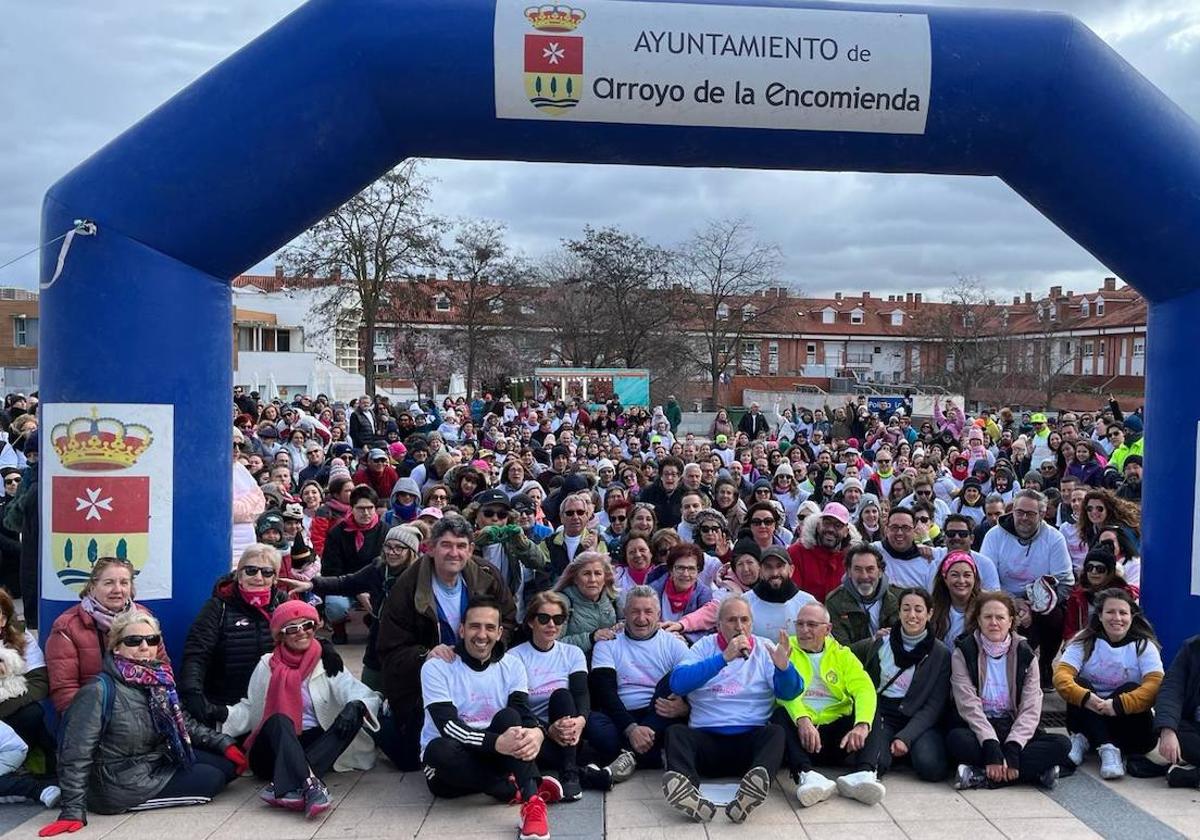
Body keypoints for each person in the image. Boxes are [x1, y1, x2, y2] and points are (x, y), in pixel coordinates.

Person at [46, 613, 244, 835]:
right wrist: (72, 810)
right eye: (133, 641)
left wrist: (224, 744)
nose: (144, 646)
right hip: (117, 782)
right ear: (116, 647)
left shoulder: (158, 679)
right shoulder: (98, 691)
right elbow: (75, 752)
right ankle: (128, 802)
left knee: (226, 766)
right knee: (212, 780)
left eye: (151, 640)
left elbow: (183, 722)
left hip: (153, 761)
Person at [375, 515, 517, 770]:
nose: (454, 553)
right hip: (428, 680)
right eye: (446, 545)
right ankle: (379, 719)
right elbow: (389, 648)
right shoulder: (407, 586)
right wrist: (424, 654)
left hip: (476, 672)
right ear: (430, 548)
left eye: (461, 545)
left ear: (471, 549)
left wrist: (492, 645)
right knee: (411, 761)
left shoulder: (487, 576)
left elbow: (508, 618)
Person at [223, 601, 382, 817]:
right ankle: (311, 784)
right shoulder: (267, 664)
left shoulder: (328, 661)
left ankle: (286, 785)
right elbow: (250, 708)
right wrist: (218, 718)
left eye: (307, 625)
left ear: (315, 627)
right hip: (273, 748)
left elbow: (360, 692)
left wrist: (356, 706)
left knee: (354, 713)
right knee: (279, 718)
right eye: (292, 628)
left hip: (314, 743)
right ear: (281, 635)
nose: (301, 633)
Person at [419, 598, 560, 840]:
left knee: (510, 716)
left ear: (499, 632)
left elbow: (523, 713)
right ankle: (514, 785)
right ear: (461, 629)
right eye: (474, 626)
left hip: (493, 752)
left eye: (489, 627)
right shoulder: (437, 667)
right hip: (451, 766)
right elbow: (448, 726)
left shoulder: (512, 665)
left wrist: (537, 731)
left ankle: (532, 801)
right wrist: (496, 743)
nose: (482, 635)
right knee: (437, 750)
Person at [662, 597, 800, 824]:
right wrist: (724, 658)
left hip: (750, 741)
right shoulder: (703, 647)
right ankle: (688, 793)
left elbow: (790, 693)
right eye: (732, 620)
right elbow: (678, 683)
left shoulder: (766, 649)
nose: (739, 626)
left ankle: (751, 791)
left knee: (776, 732)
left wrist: (783, 668)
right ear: (718, 625)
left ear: (752, 624)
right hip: (707, 739)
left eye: (744, 620)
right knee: (676, 733)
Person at [947, 592, 1069, 790]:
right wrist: (990, 743)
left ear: (1010, 620)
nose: (994, 622)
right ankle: (1031, 772)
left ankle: (981, 775)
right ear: (978, 619)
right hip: (979, 727)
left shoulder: (1025, 654)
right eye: (987, 617)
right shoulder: (964, 651)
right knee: (956, 740)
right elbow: (967, 704)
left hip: (1011, 724)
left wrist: (1013, 746)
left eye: (1000, 617)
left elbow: (1031, 707)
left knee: (1062, 745)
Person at [282, 524, 422, 690]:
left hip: (406, 645)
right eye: (388, 546)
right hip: (378, 642)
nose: (392, 552)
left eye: (399, 548)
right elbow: (347, 582)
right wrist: (311, 585)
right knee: (369, 697)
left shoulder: (419, 576)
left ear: (411, 551)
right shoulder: (378, 569)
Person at [771, 602, 883, 807]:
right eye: (800, 624)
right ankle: (807, 776)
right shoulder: (786, 649)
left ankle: (864, 774)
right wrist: (802, 719)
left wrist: (861, 725)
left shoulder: (842, 654)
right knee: (779, 715)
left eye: (812, 625)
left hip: (838, 735)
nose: (804, 630)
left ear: (828, 629)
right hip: (804, 735)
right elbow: (782, 694)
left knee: (870, 712)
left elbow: (864, 688)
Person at [1053, 588, 1162, 779]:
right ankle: (1107, 748)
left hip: (1130, 728)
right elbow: (1061, 677)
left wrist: (1118, 705)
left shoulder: (1143, 645)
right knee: (1080, 683)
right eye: (1110, 612)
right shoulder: (1084, 640)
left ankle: (1089, 741)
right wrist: (1087, 698)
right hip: (1089, 712)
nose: (1117, 618)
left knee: (1130, 688)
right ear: (1100, 616)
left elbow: (1155, 685)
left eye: (1123, 612)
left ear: (1132, 616)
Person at [509, 591, 606, 799]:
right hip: (534, 733)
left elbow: (581, 695)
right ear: (531, 622)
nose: (551, 624)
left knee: (562, 695)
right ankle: (580, 772)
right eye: (544, 618)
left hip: (569, 731)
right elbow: (518, 707)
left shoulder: (572, 653)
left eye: (558, 619)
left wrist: (580, 721)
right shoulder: (514, 657)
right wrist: (545, 730)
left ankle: (569, 773)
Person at [180, 544, 288, 726]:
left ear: (275, 578)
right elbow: (196, 655)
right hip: (226, 707)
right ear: (239, 574)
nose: (258, 578)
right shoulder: (217, 607)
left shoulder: (282, 604)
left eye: (267, 572)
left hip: (272, 702)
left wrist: (324, 649)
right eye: (251, 570)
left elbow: (304, 636)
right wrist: (193, 693)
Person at [585, 586, 689, 774]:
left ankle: (623, 758)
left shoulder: (674, 644)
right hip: (622, 714)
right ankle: (645, 755)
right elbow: (605, 693)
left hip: (658, 712)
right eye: (635, 611)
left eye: (648, 612)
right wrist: (631, 729)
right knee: (594, 723)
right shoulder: (608, 643)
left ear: (658, 614)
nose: (641, 619)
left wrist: (685, 708)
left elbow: (695, 687)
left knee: (674, 680)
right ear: (624, 613)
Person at [852, 588, 951, 782]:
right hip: (884, 712)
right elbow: (849, 659)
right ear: (899, 612)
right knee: (876, 764)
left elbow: (934, 705)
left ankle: (905, 748)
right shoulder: (882, 643)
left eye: (918, 609)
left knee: (932, 767)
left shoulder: (941, 653)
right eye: (906, 609)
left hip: (918, 714)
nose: (912, 615)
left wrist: (906, 736)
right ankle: (888, 749)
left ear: (929, 614)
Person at [46, 557, 165, 714]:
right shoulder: (67, 627)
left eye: (124, 583)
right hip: (94, 716)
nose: (117, 589)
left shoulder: (144, 618)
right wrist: (94, 723)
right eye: (109, 583)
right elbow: (65, 690)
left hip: (145, 713)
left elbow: (163, 668)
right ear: (92, 587)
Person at [980, 489, 1073, 685]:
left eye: (1030, 514)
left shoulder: (1054, 538)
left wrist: (1034, 606)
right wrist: (1012, 604)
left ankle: (1045, 664)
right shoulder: (994, 535)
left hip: (1041, 600)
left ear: (1042, 514)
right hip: (1002, 597)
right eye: (1019, 512)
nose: (1023, 518)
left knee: (1055, 615)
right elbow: (985, 578)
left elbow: (1065, 582)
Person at [322, 485, 389, 644]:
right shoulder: (337, 533)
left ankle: (373, 621)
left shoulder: (385, 531)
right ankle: (339, 630)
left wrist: (370, 588)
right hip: (345, 583)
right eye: (360, 508)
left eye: (370, 508)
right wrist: (357, 588)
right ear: (351, 508)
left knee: (388, 601)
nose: (366, 513)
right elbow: (330, 570)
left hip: (375, 585)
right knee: (335, 604)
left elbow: (386, 565)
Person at [0, 589, 54, 770]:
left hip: (11, 708)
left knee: (32, 714)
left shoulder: (22, 638)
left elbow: (39, 683)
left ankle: (31, 767)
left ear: (4, 619)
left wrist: (5, 706)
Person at [825, 543, 901, 646]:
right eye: (858, 569)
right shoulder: (834, 602)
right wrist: (873, 642)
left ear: (880, 572)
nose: (864, 576)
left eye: (870, 569)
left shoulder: (899, 598)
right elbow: (841, 650)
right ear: (849, 572)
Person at [1152, 634, 1200, 787]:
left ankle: (1190, 777)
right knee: (1176, 730)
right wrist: (1167, 730)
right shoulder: (1192, 648)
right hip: (1193, 730)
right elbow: (1171, 689)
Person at [1062, 546, 1138, 643]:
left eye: (1100, 569)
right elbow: (1070, 630)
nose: (1094, 572)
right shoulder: (1077, 596)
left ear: (1109, 572)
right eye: (1089, 568)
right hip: (1084, 644)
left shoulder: (1124, 595)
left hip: (1118, 643)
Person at [788, 502, 860, 603]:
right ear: (818, 525)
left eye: (838, 525)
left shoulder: (853, 558)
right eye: (827, 523)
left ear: (846, 532)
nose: (830, 529)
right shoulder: (797, 552)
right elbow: (792, 597)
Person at [742, 547, 817, 640]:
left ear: (791, 570)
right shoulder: (745, 603)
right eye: (768, 567)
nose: (775, 573)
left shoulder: (808, 603)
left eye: (780, 566)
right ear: (760, 571)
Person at [554, 552, 621, 656]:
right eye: (586, 574)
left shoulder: (613, 599)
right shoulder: (561, 602)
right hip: (574, 666)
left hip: (609, 662)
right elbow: (552, 644)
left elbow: (625, 623)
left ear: (605, 578)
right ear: (575, 579)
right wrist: (590, 638)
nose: (593, 580)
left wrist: (622, 627)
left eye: (598, 573)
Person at [650, 544, 713, 643]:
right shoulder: (653, 590)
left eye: (691, 569)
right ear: (671, 570)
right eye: (680, 568)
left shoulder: (704, 594)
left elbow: (708, 630)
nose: (685, 574)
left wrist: (686, 638)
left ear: (698, 571)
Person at [931, 551, 982, 647]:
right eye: (955, 575)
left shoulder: (985, 607)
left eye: (967, 575)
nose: (961, 581)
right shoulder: (932, 609)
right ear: (945, 578)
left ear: (974, 578)